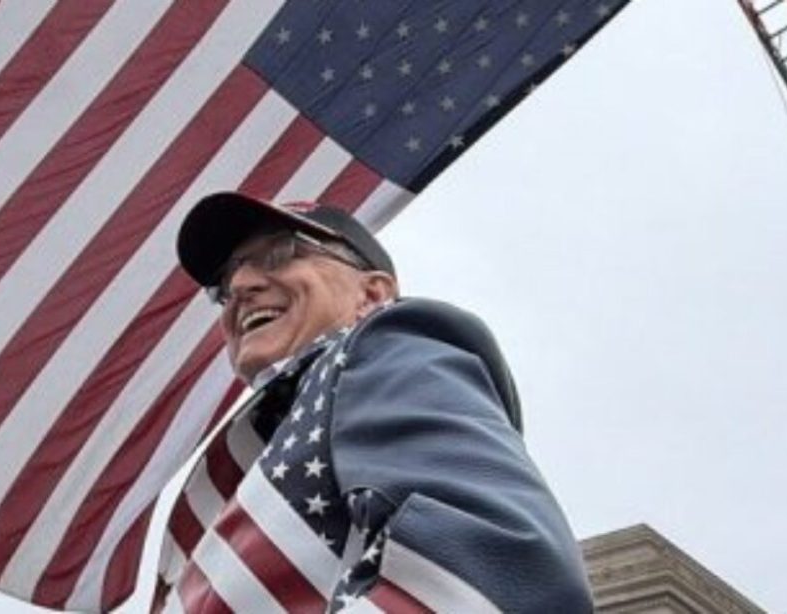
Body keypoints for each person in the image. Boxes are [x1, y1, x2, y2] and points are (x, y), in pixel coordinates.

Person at [153, 191, 592, 613]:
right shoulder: (279, 432)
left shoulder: (384, 347)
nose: (241, 286)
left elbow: (497, 568)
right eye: (223, 289)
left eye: (280, 253)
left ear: (373, 295)